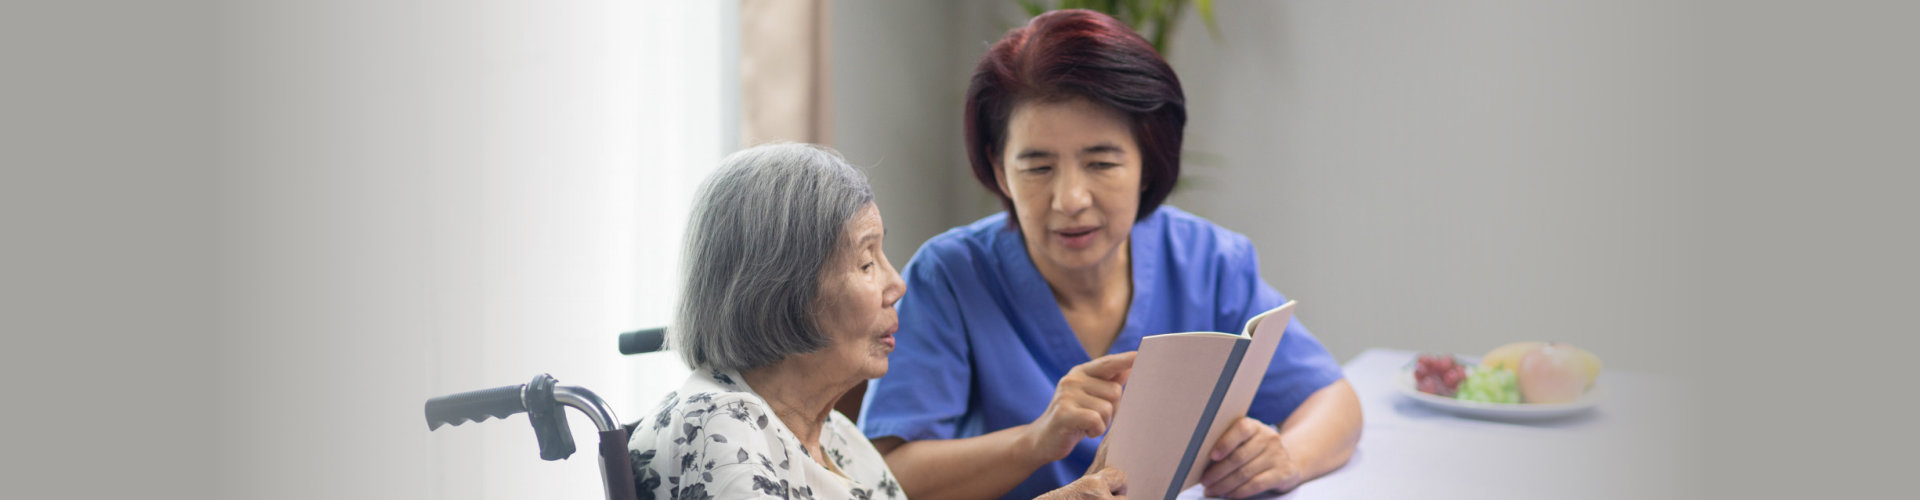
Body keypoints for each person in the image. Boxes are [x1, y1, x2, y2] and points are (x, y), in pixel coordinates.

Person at [859, 10, 1363, 500]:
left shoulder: (1208, 261)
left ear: (1148, 162)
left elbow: (1331, 399)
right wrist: (1036, 441)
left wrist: (1285, 457)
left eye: (1101, 162)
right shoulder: (951, 275)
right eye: (1037, 167)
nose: (1070, 199)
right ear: (998, 168)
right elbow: (886, 475)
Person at [628, 143, 1128, 500]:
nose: (897, 284)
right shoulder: (718, 426)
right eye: (867, 262)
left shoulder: (839, 439)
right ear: (782, 288)